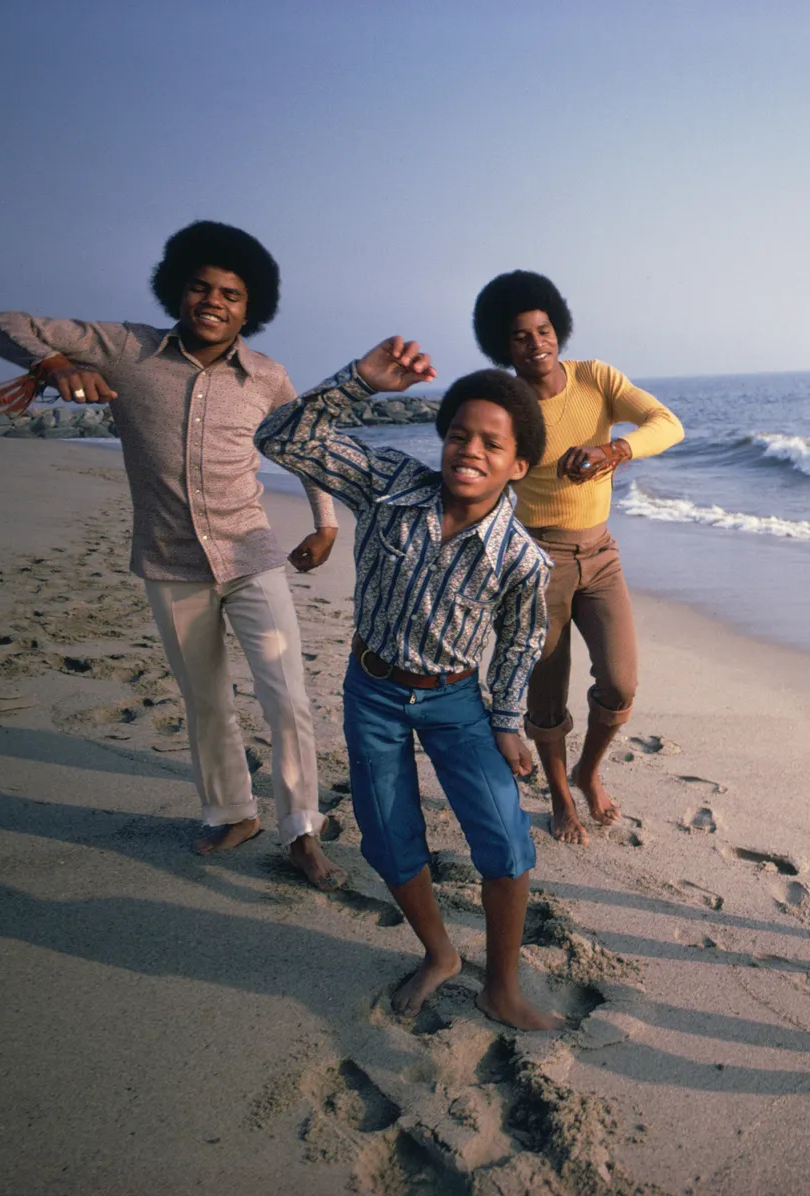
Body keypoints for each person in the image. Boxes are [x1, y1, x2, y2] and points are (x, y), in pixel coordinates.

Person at [0, 221, 345, 889]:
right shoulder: (125, 348)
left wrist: (325, 525)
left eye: (231, 294)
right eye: (200, 288)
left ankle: (301, 830)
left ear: (250, 307)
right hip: (168, 560)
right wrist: (52, 364)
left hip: (253, 555)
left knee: (287, 696)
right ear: (177, 293)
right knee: (204, 696)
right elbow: (2, 320)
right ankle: (233, 812)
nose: (214, 301)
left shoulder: (268, 376)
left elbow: (307, 447)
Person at [256, 340, 560, 1030]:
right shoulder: (388, 485)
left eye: (490, 443)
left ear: (518, 465)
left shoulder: (522, 558)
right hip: (373, 689)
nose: (469, 451)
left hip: (458, 700)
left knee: (505, 842)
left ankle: (502, 986)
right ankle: (440, 953)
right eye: (458, 435)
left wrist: (508, 717)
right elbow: (281, 436)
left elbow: (521, 640)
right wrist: (360, 382)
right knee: (388, 835)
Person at [471, 270, 684, 845]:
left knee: (620, 683)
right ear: (503, 344)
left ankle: (590, 770)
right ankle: (562, 796)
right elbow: (484, 470)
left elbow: (668, 424)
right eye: (520, 336)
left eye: (543, 330)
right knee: (546, 690)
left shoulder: (596, 378)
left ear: (557, 329)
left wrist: (615, 449)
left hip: (601, 553)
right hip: (537, 560)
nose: (536, 343)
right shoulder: (505, 402)